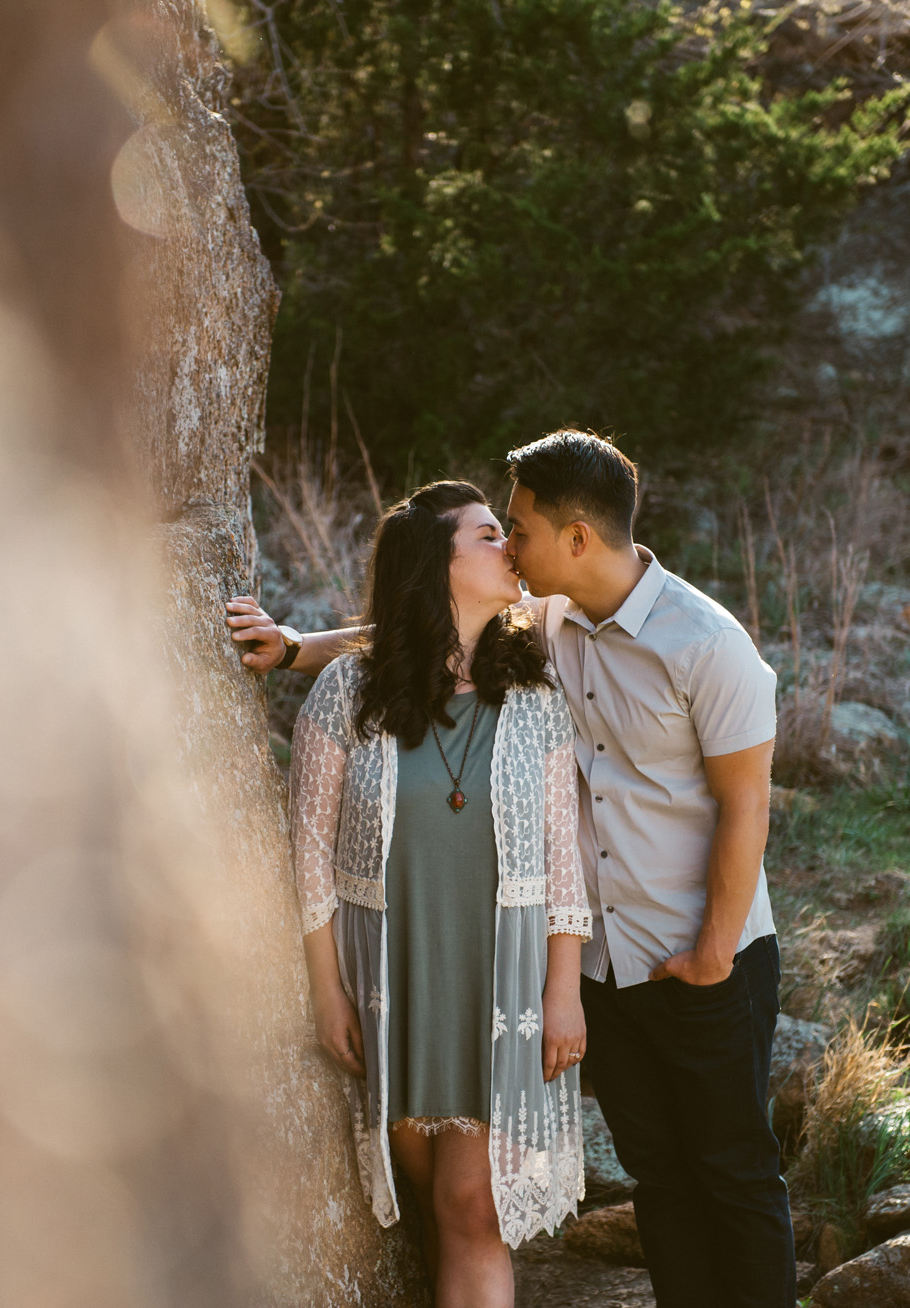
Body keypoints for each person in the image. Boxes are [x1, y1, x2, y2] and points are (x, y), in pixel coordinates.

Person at [230, 433, 792, 1308]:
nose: (511, 547)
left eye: (517, 528)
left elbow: (746, 808)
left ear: (574, 539)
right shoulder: (551, 620)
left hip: (701, 955)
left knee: (734, 1172)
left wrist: (715, 952)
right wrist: (301, 647)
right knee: (663, 1180)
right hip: (604, 963)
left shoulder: (706, 646)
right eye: (495, 532)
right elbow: (417, 626)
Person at [284, 479, 592, 1308]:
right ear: (436, 561)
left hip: (504, 983)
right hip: (396, 980)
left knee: (469, 1205)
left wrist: (564, 991)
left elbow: (565, 862)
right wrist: (325, 992)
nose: (512, 548)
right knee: (434, 1205)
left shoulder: (535, 700)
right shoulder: (346, 696)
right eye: (491, 534)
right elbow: (308, 856)